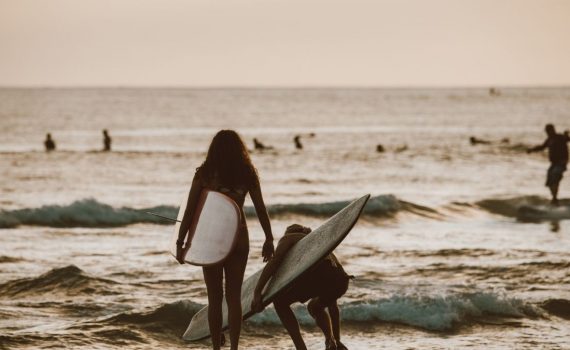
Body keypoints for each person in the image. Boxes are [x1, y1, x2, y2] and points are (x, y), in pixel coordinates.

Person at [176, 130, 274, 350]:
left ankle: (216, 349)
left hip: (212, 238)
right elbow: (260, 209)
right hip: (239, 236)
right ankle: (235, 347)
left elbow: (190, 210)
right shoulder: (247, 173)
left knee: (215, 299)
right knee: (233, 297)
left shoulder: (205, 173)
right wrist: (269, 238)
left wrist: (180, 243)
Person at [252, 224, 350, 350]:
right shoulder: (323, 246)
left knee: (280, 302)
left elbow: (276, 260)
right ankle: (331, 341)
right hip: (341, 280)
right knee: (315, 307)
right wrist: (338, 339)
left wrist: (257, 292)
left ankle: (301, 348)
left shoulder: (291, 237)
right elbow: (333, 306)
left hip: (320, 275)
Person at [527, 124, 570, 205]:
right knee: (550, 182)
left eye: (549, 131)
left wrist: (566, 134)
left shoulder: (559, 137)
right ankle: (554, 198)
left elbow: (567, 139)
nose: (548, 133)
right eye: (547, 131)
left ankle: (554, 199)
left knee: (555, 177)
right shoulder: (549, 139)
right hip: (554, 164)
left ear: (553, 130)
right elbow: (542, 147)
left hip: (561, 163)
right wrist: (532, 150)